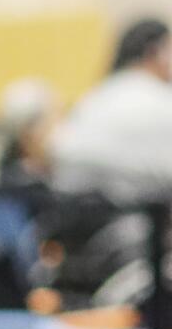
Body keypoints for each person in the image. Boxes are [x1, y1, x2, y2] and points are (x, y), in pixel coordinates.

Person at [50, 18, 172, 203]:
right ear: (156, 52)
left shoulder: (96, 96)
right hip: (130, 218)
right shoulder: (157, 97)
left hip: (71, 211)